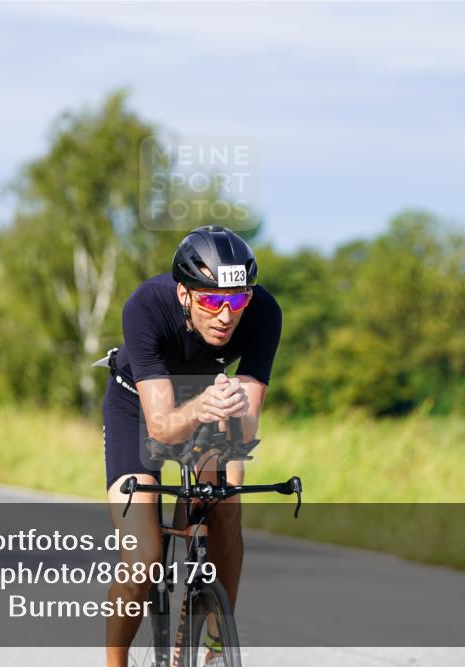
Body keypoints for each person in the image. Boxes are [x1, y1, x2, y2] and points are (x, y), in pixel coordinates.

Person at [101, 225, 282, 667]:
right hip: (138, 406)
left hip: (210, 402)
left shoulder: (264, 313)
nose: (226, 314)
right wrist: (204, 404)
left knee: (225, 506)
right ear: (184, 294)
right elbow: (161, 427)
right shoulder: (146, 306)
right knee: (144, 557)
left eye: (237, 300)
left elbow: (246, 423)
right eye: (211, 300)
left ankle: (213, 645)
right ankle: (114, 660)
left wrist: (227, 437)